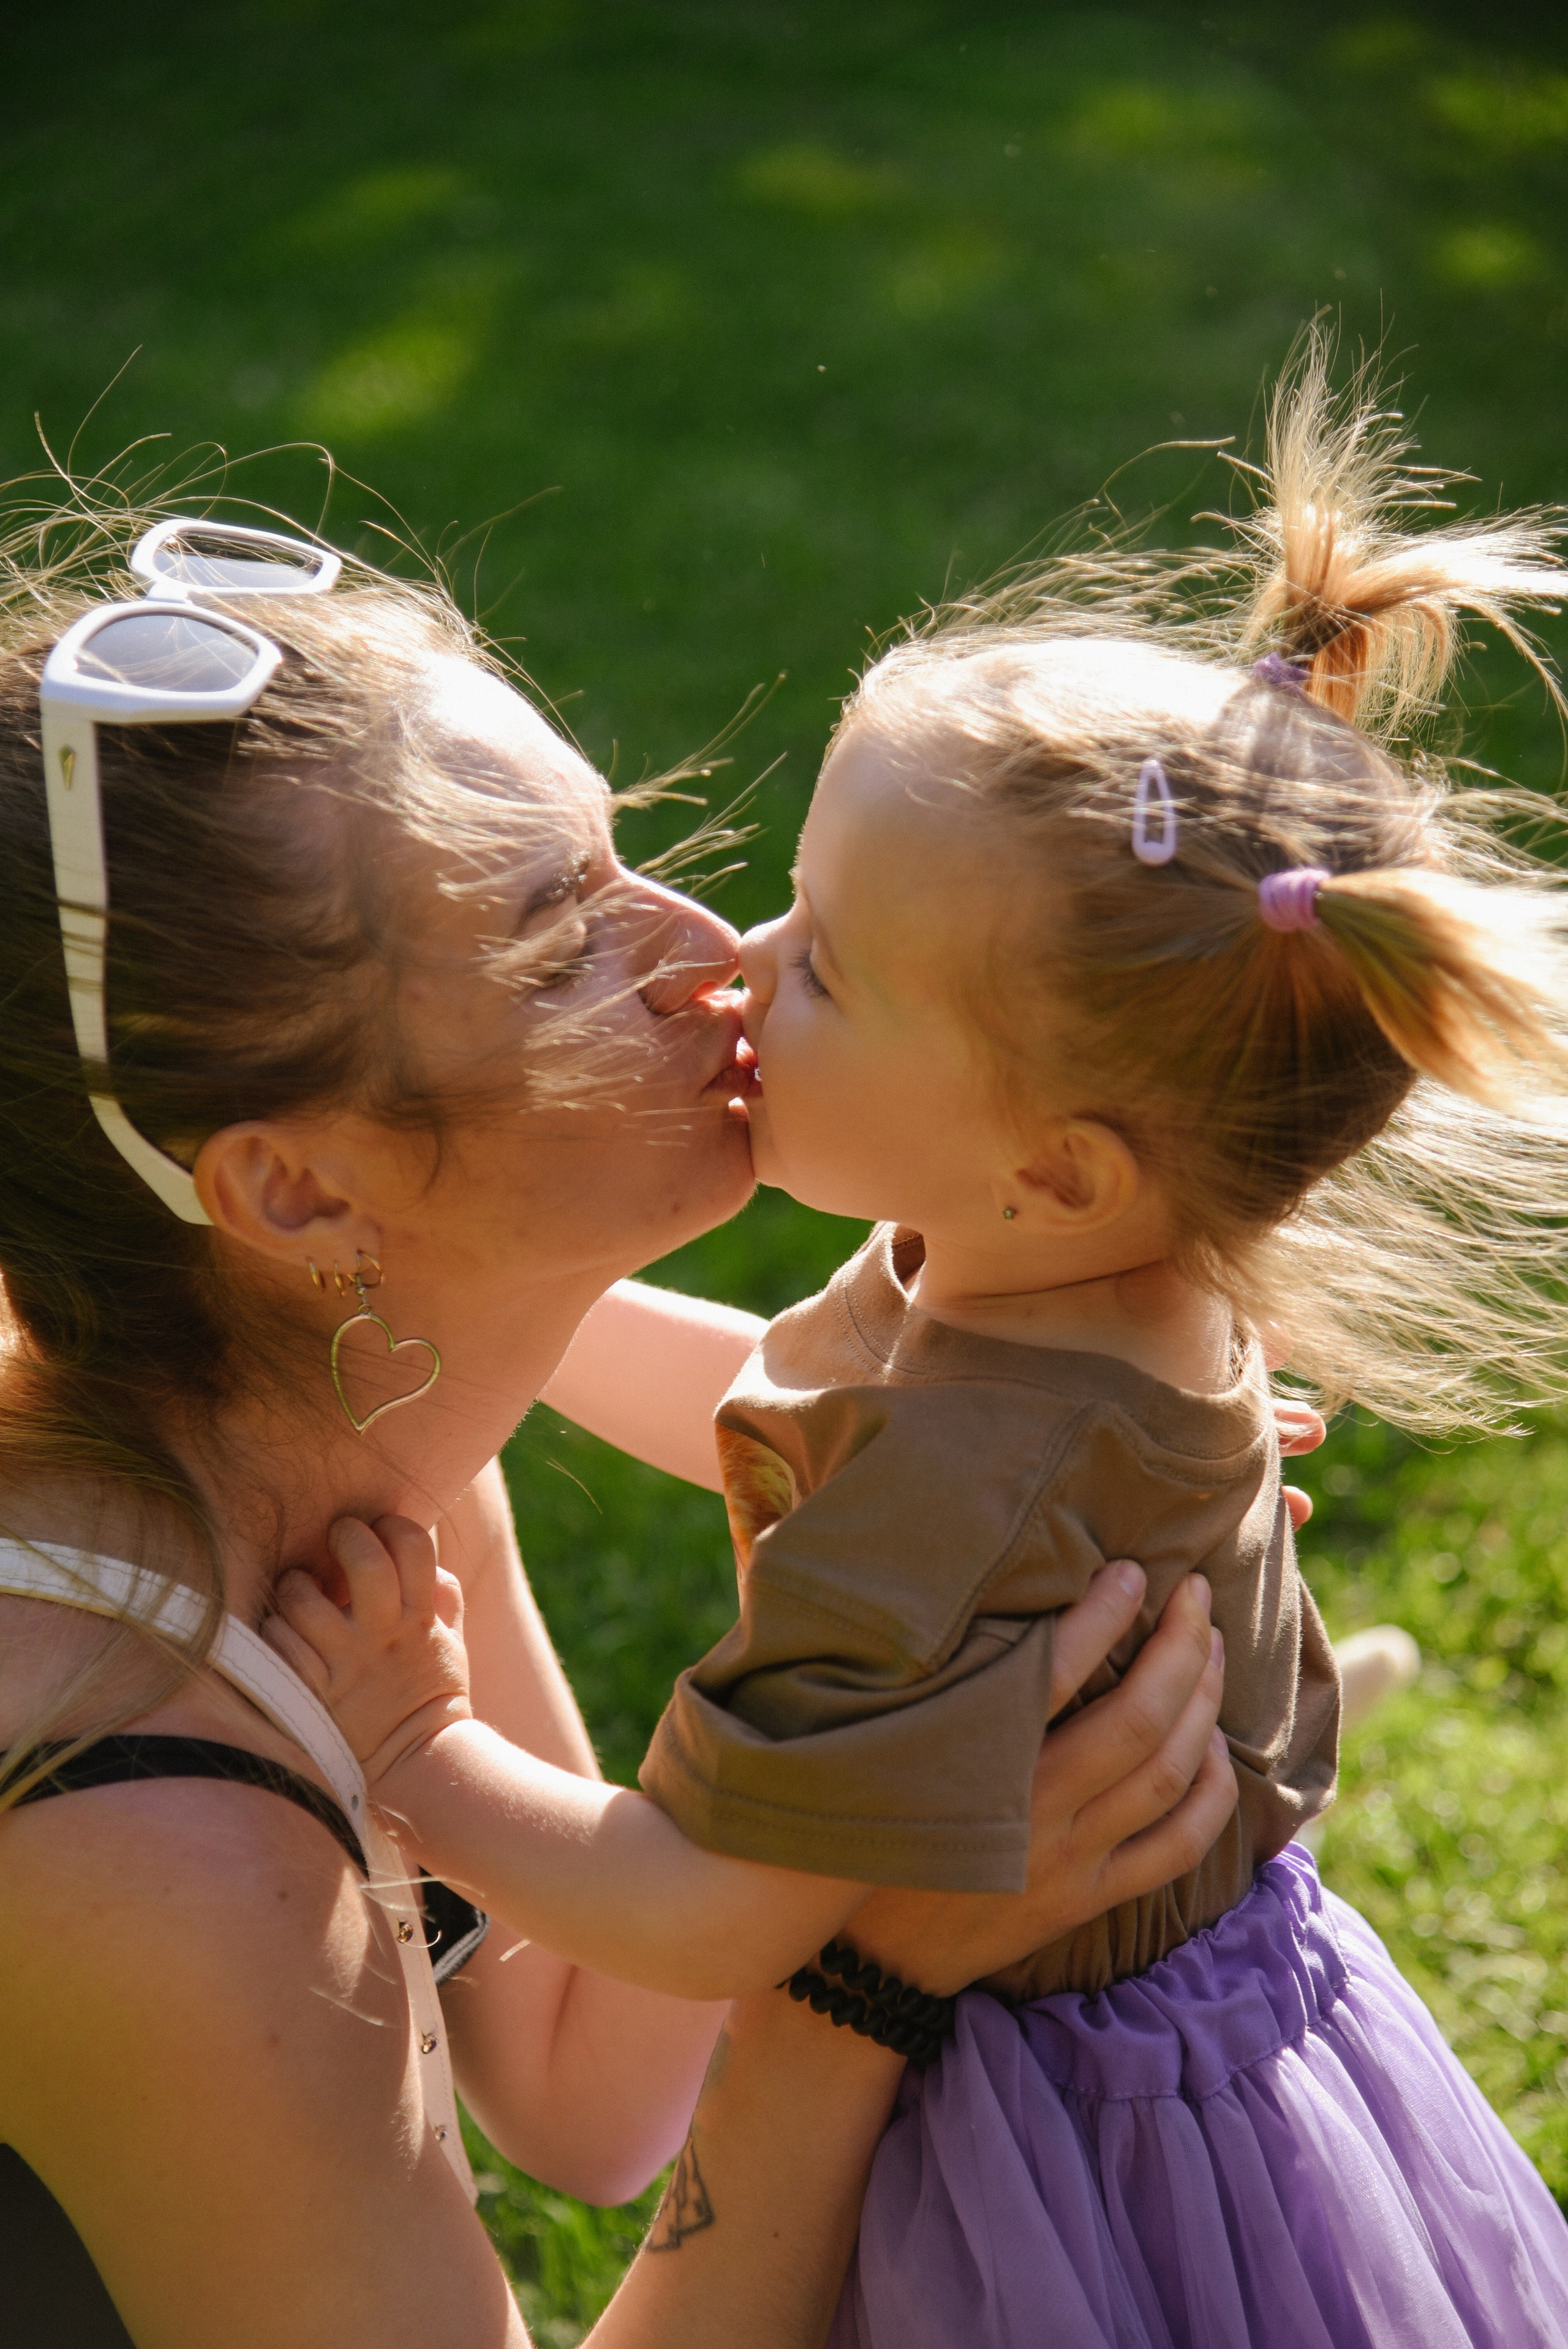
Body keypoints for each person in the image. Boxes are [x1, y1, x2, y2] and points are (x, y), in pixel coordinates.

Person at [277, 356, 1568, 2347]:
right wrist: (523, 1322)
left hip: (1055, 2156)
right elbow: (777, 1397)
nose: (738, 966)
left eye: (826, 963)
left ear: (1054, 1163)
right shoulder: (1091, 1282)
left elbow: (693, 1906)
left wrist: (411, 1751)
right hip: (1240, 2054)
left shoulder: (961, 1490)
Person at [0, 509, 1242, 2348]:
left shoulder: (362, 1436)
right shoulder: (143, 1829)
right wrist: (867, 1975)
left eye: (618, 856)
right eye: (558, 934)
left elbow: (587, 2093)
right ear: (295, 1188)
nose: (713, 956)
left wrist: (853, 1680)